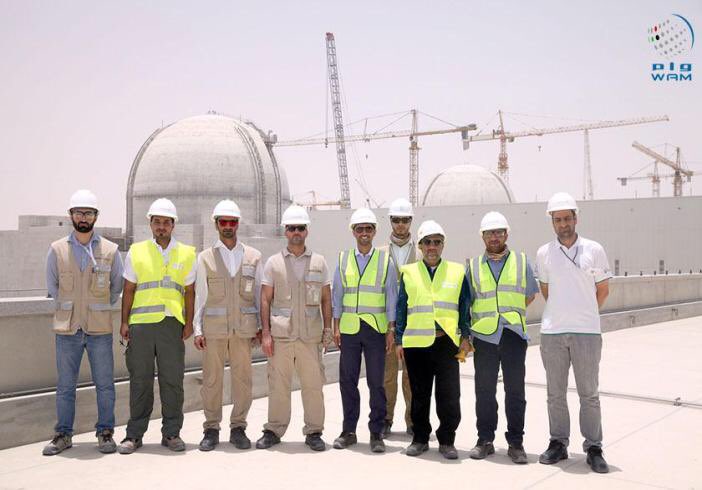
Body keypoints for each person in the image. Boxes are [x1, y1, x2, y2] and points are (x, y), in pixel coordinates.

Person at [43, 190, 123, 456]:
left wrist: (94, 307)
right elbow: (53, 287)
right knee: (66, 387)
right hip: (68, 329)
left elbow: (116, 287)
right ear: (71, 215)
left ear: (96, 216)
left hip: (99, 329)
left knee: (105, 385)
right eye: (79, 213)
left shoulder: (110, 250)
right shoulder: (57, 250)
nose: (83, 217)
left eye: (88, 213)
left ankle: (105, 432)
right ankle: (63, 434)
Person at [536, 192, 612, 473]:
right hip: (553, 332)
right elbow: (546, 290)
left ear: (575, 218)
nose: (563, 224)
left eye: (567, 218)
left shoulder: (594, 249)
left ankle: (594, 447)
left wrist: (584, 313)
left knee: (589, 394)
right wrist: (563, 313)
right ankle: (558, 443)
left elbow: (602, 290)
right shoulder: (544, 253)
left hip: (587, 333)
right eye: (558, 219)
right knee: (555, 394)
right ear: (552, 222)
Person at [117, 198, 196, 454]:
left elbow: (190, 292)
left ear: (173, 225)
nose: (161, 226)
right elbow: (129, 289)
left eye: (166, 222)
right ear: (150, 224)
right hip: (141, 326)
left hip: (171, 326)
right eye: (157, 222)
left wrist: (189, 322)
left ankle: (171, 433)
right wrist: (124, 322)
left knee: (172, 381)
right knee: (140, 381)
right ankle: (134, 434)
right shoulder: (137, 251)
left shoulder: (187, 253)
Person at [256, 205, 332, 451]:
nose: (296, 232)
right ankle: (274, 429)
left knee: (313, 386)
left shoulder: (319, 262)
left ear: (306, 231)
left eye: (300, 228)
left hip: (310, 336)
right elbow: (265, 299)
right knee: (278, 385)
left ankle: (314, 431)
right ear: (285, 231)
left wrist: (328, 330)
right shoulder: (274, 263)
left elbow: (326, 299)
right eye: (291, 228)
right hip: (282, 337)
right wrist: (266, 333)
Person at [395, 220, 471, 460]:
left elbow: (464, 306)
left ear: (443, 245)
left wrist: (466, 336)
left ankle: (447, 440)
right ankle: (420, 438)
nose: (432, 247)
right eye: (427, 242)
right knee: (419, 394)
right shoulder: (409, 272)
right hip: (417, 343)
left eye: (437, 242)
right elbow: (401, 308)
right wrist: (399, 340)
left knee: (449, 395)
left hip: (447, 342)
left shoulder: (457, 271)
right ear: (420, 245)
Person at [466, 211, 538, 464]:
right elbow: (468, 301)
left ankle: (516, 443)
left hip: (513, 335)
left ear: (506, 234)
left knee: (515, 391)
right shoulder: (473, 266)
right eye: (489, 233)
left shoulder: (521, 261)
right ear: (482, 237)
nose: (494, 237)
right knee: (484, 391)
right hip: (484, 337)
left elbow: (530, 294)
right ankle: (485, 440)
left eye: (498, 232)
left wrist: (509, 313)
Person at [194, 200, 262, 451]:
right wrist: (198, 329)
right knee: (212, 380)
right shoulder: (205, 258)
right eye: (223, 222)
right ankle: (211, 428)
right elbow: (200, 296)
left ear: (238, 224)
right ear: (216, 224)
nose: (228, 226)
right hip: (214, 330)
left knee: (243, 380)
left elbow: (258, 295)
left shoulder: (253, 257)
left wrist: (261, 327)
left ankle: (238, 428)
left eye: (232, 222)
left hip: (243, 330)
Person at [332, 208, 397, 453]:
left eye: (368, 228)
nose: (364, 233)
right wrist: (336, 326)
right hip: (349, 329)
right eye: (360, 229)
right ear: (353, 232)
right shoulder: (343, 259)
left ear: (374, 231)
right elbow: (338, 295)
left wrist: (391, 330)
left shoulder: (385, 261)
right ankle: (348, 431)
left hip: (375, 329)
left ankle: (376, 432)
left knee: (376, 382)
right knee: (347, 381)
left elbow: (391, 297)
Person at [380, 198, 415, 436]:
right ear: (390, 221)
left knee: (412, 377)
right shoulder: (380, 254)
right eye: (396, 220)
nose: (400, 224)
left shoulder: (421, 251)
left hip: (414, 323)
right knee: (388, 375)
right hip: (388, 324)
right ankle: (386, 418)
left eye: (405, 220)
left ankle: (413, 421)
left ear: (411, 221)